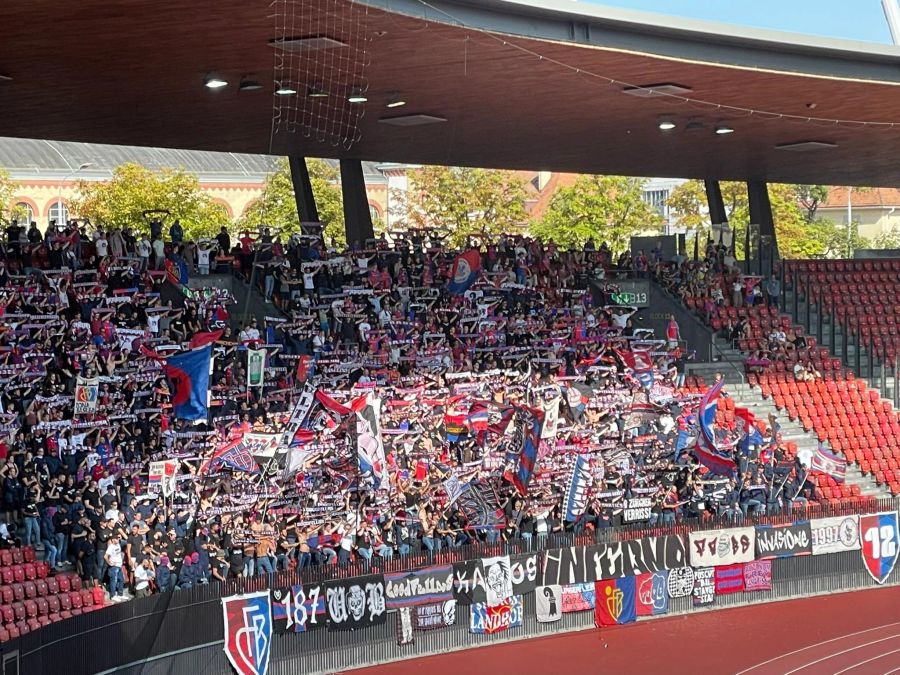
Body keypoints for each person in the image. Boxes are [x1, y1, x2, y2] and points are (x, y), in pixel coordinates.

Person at [105, 534, 126, 602]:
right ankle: (113, 595)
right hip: (114, 567)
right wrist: (109, 563)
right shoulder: (111, 547)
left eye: (118, 538)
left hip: (119, 566)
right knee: (113, 581)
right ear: (113, 539)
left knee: (121, 580)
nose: (118, 539)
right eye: (116, 538)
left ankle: (120, 594)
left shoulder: (118, 545)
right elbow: (105, 556)